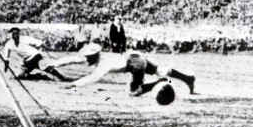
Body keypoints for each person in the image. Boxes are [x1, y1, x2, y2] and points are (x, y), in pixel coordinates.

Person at [65, 50, 196, 96]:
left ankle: (159, 82)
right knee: (160, 70)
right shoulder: (105, 55)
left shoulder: (103, 63)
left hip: (133, 63)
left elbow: (94, 77)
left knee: (133, 92)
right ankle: (187, 78)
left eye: (88, 57)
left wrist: (75, 84)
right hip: (136, 56)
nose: (86, 60)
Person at [3, 27, 68, 80]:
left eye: (16, 33)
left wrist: (42, 50)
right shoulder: (9, 44)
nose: (15, 35)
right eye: (13, 34)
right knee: (19, 75)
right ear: (11, 35)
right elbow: (6, 57)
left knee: (42, 67)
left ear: (19, 34)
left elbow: (39, 43)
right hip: (27, 60)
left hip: (35, 56)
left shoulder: (25, 39)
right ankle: (36, 76)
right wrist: (5, 68)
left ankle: (62, 78)